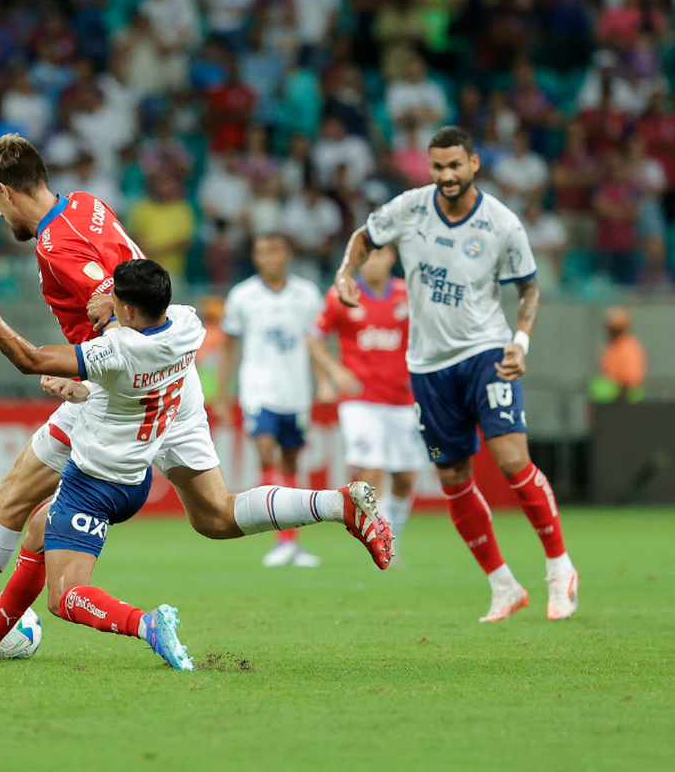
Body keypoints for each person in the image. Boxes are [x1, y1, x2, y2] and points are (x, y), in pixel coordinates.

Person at [0, 135, 392, 655]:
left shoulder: (52, 246)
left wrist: (81, 375)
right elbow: (135, 291)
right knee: (215, 516)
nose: (0, 215)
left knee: (16, 496)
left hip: (119, 394)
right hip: (175, 380)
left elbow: (114, 320)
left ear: (4, 192)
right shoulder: (88, 204)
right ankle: (337, 505)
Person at [333, 126, 578, 622]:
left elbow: (529, 290)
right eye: (438, 166)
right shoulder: (410, 207)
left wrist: (521, 341)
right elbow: (365, 237)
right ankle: (503, 585)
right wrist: (345, 273)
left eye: (455, 166)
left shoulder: (502, 223)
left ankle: (559, 567)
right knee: (452, 477)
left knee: (512, 461)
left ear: (473, 165)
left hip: (486, 352)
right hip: (427, 364)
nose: (446, 176)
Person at [0, 260, 201, 669]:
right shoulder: (188, 323)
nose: (107, 301)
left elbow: (30, 359)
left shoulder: (116, 350)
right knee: (39, 530)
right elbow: (128, 372)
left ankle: (147, 625)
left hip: (93, 483)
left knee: (65, 597)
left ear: (129, 310)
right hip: (135, 480)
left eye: (114, 298)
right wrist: (85, 383)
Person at [214, 234, 326, 567]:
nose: (270, 257)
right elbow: (229, 346)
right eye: (262, 251)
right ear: (255, 257)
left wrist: (323, 381)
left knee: (290, 464)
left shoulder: (306, 294)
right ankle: (282, 539)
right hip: (258, 390)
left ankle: (291, 541)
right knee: (266, 454)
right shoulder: (243, 296)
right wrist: (223, 394)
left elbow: (316, 341)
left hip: (296, 392)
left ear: (287, 253)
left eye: (276, 250)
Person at [308, 244, 423, 538]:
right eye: (367, 256)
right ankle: (379, 538)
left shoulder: (408, 294)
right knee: (371, 470)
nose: (373, 262)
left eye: (379, 254)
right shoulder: (341, 295)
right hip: (360, 399)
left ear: (391, 257)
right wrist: (334, 373)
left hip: (402, 399)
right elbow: (313, 338)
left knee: (406, 478)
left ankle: (392, 533)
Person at [590, 306, 646, 403]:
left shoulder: (629, 347)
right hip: (614, 389)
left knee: (601, 388)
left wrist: (616, 383)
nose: (610, 331)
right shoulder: (612, 346)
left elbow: (632, 377)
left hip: (626, 392)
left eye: (614, 328)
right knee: (597, 385)